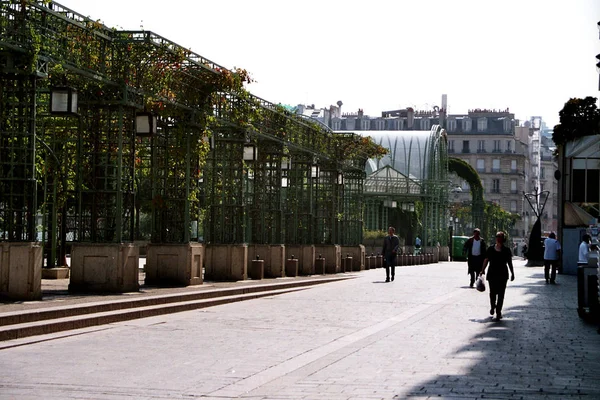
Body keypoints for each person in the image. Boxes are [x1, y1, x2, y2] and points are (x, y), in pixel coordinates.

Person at [480, 231, 515, 321]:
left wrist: (512, 273)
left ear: (503, 239)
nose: (498, 238)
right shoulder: (491, 249)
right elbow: (486, 260)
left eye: (500, 236)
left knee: (501, 294)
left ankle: (498, 311)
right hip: (492, 274)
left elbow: (510, 263)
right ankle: (493, 306)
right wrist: (483, 270)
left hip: (503, 274)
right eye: (497, 236)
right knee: (492, 293)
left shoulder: (507, 250)